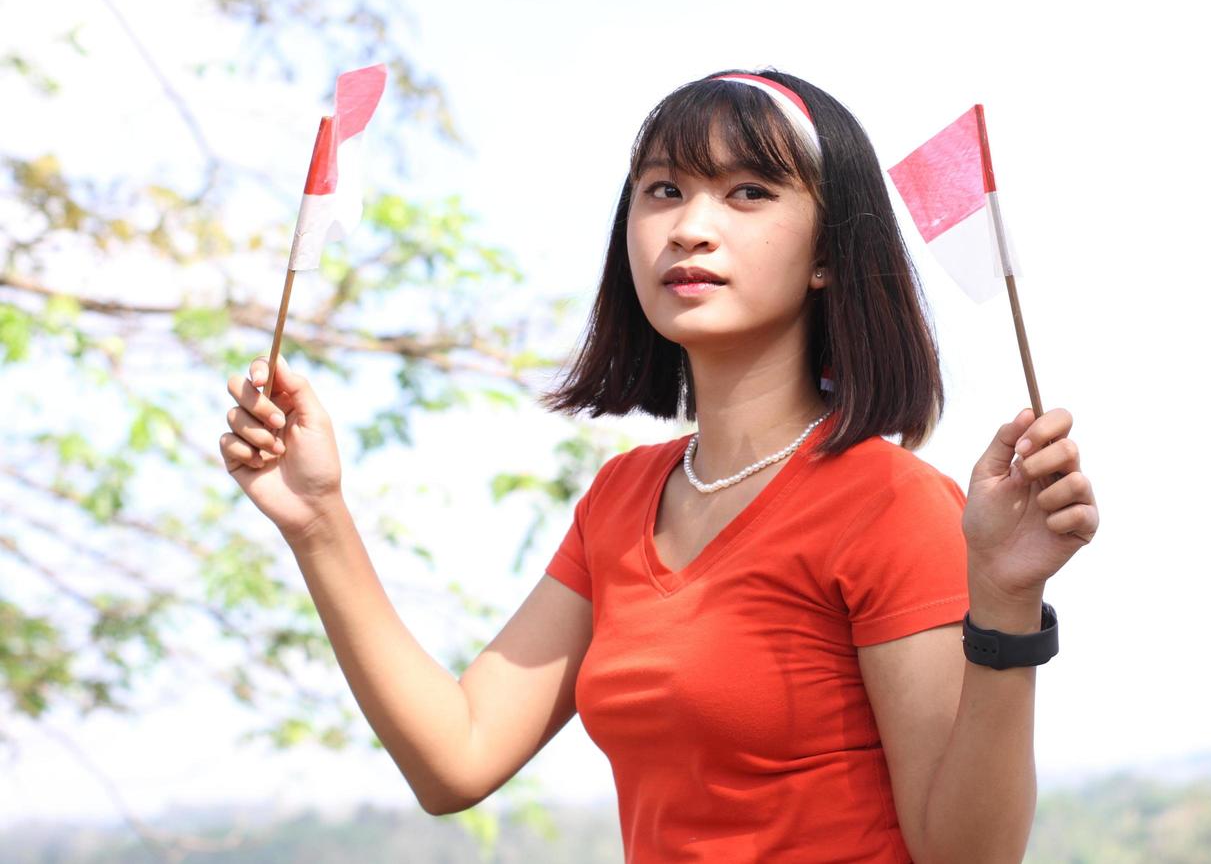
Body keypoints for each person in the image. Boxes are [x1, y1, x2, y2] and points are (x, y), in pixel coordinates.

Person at [219, 69, 1100, 863]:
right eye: (663, 191)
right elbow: (458, 756)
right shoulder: (622, 499)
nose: (690, 228)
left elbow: (966, 856)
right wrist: (318, 520)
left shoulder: (891, 504)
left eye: (748, 193)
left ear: (829, 252)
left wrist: (1007, 601)